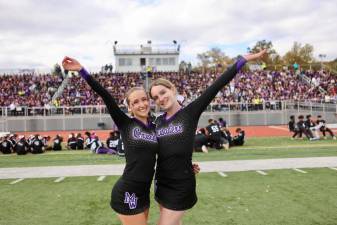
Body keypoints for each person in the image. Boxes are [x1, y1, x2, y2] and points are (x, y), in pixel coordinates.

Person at [149, 49, 266, 225]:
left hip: (181, 184)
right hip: (160, 182)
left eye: (163, 92)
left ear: (172, 89)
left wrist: (243, 60)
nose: (160, 99)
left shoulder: (190, 112)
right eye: (156, 97)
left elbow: (217, 85)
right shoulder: (157, 122)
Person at [62, 56, 159, 225]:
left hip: (144, 191)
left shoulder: (154, 127)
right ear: (129, 107)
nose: (142, 104)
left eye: (144, 99)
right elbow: (105, 95)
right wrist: (82, 71)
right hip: (128, 191)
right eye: (135, 102)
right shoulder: (126, 123)